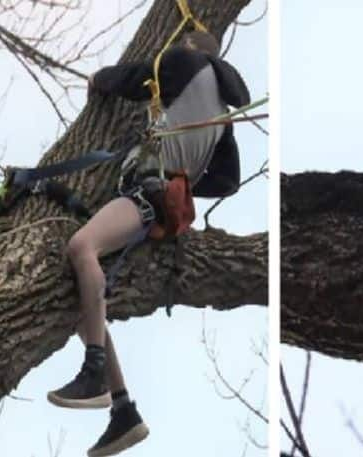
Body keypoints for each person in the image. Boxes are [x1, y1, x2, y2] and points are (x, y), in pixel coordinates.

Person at [46, 30, 250, 457]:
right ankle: (123, 410)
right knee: (86, 287)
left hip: (144, 199)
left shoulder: (182, 61)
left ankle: (95, 369)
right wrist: (186, 179)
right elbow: (228, 180)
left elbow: (137, 77)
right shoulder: (223, 116)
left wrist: (100, 77)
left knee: (80, 248)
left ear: (192, 47)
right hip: (163, 203)